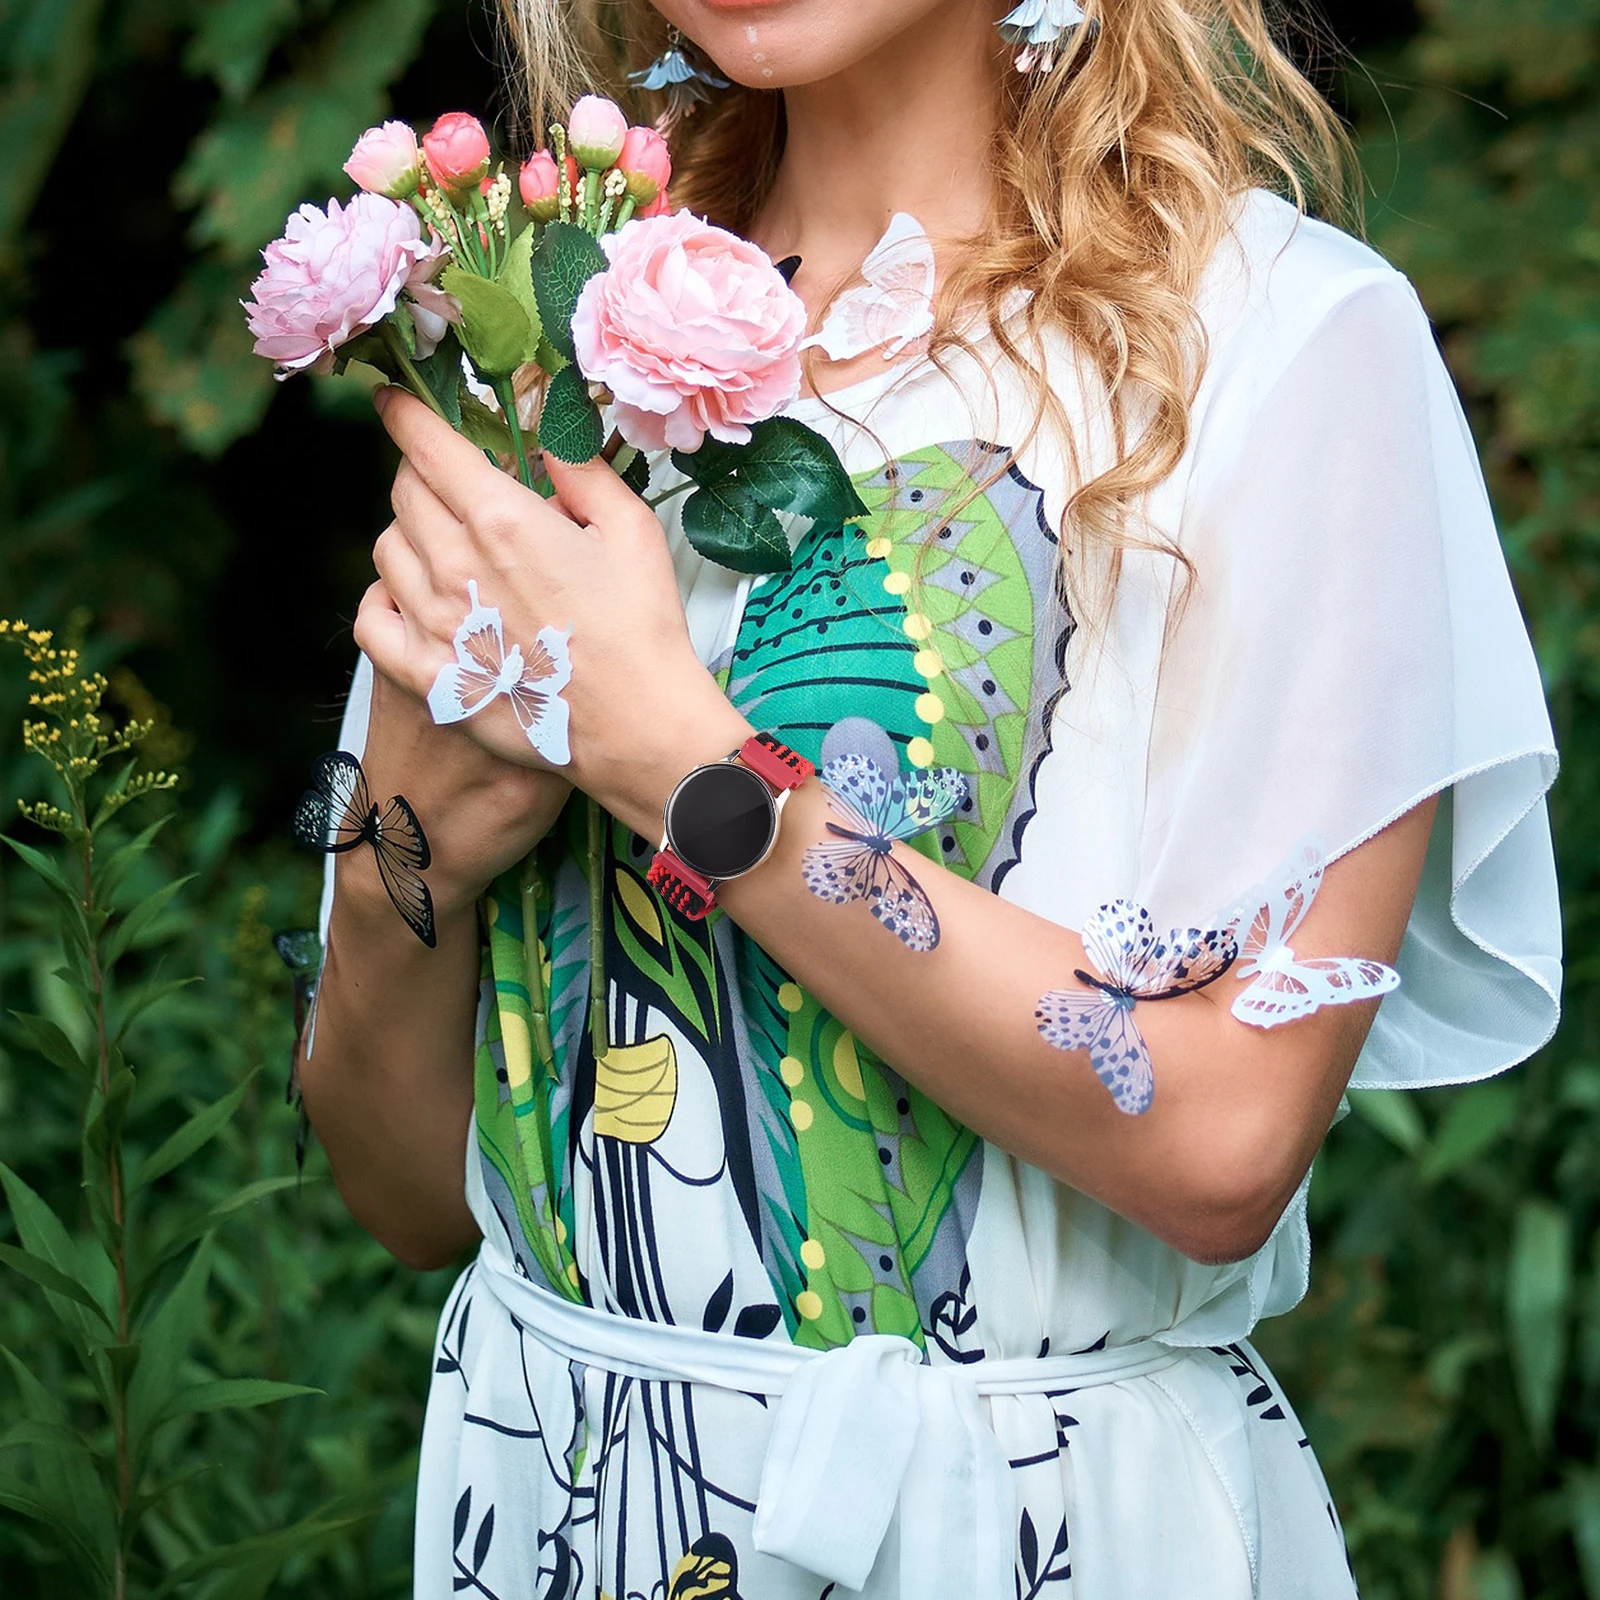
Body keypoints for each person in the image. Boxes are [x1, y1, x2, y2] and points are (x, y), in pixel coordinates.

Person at [297, 0, 1563, 1595]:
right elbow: (406, 1194)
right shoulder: (548, 326)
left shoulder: (1276, 338)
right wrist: (393, 866)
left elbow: (1228, 1143)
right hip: (555, 1492)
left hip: (1013, 1526)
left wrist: (689, 774)